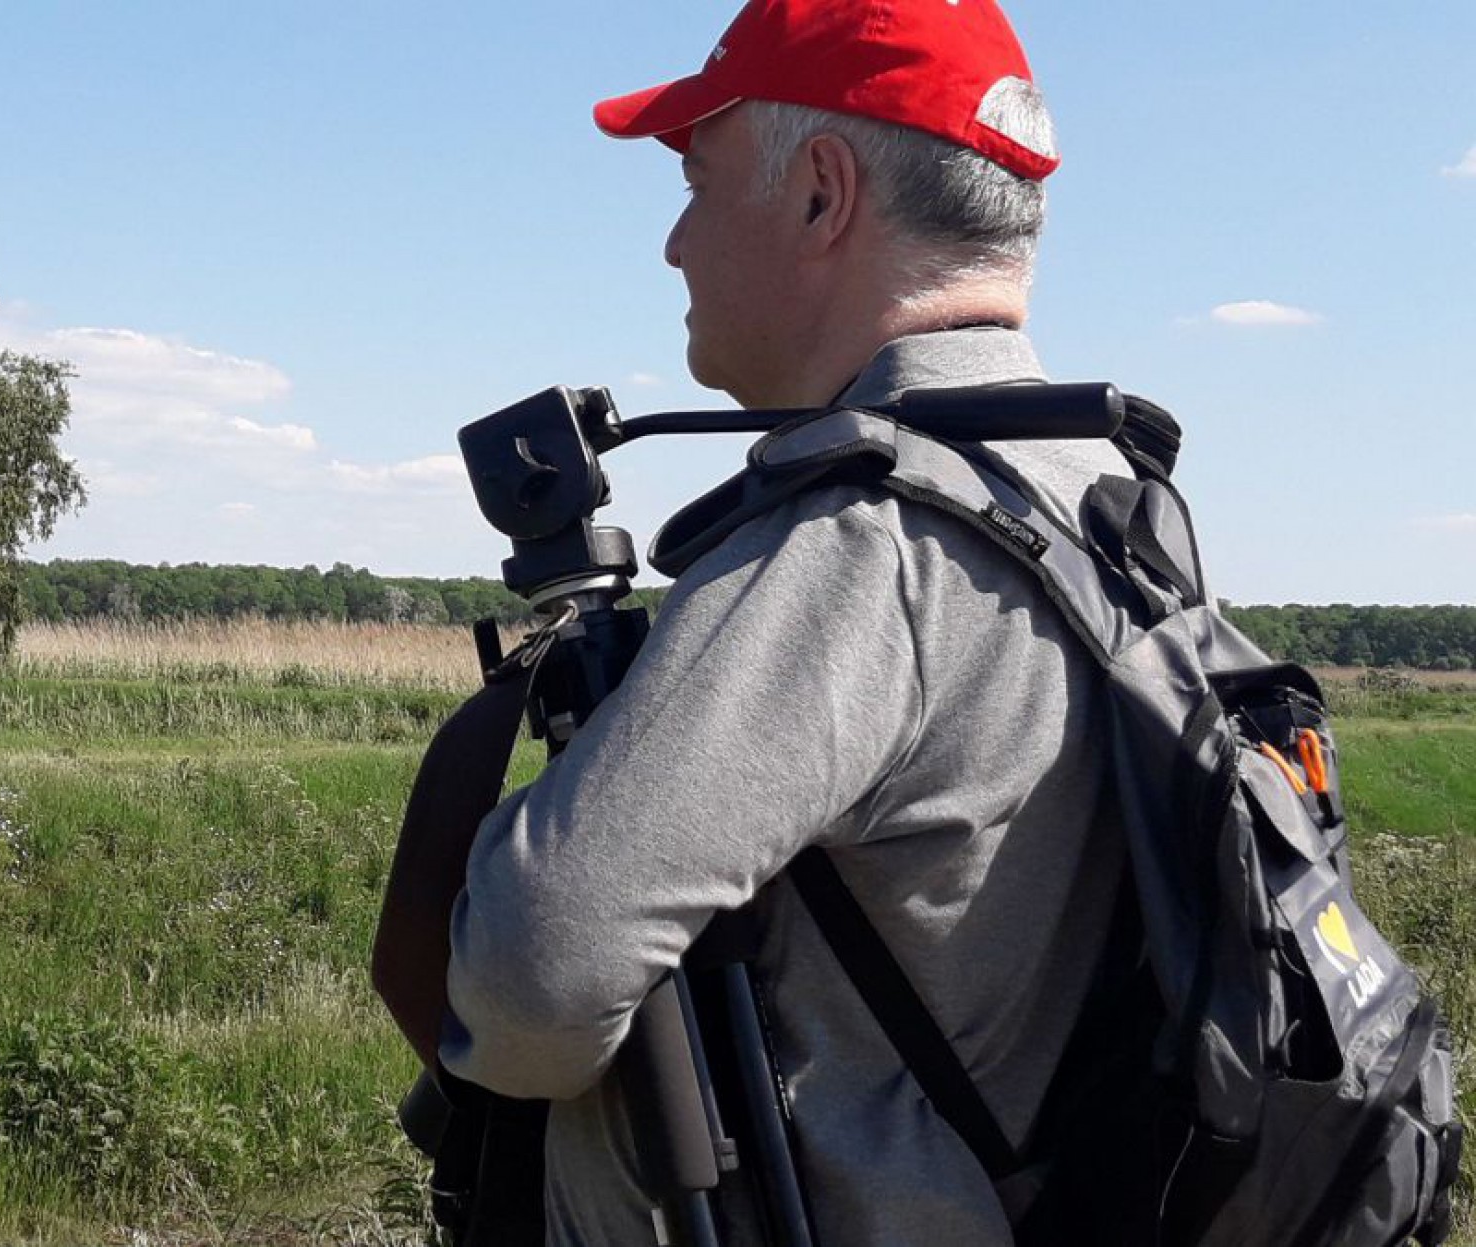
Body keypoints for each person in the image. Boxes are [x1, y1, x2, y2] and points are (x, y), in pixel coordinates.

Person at [371, 1, 1137, 1243]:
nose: (673, 242)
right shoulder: (1104, 498)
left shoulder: (853, 545)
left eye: (696, 180)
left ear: (821, 195)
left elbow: (531, 979)